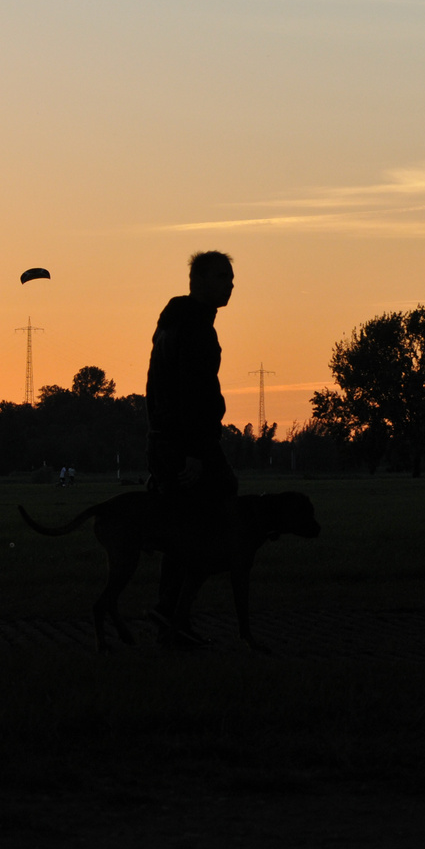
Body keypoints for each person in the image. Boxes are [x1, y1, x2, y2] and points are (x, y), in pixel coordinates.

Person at [145, 250, 238, 646]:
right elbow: (193, 394)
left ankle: (171, 612)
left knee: (183, 525)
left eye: (231, 278)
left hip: (168, 441)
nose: (230, 285)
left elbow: (161, 389)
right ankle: (174, 613)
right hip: (187, 444)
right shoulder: (196, 328)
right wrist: (195, 453)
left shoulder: (173, 322)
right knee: (206, 521)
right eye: (221, 277)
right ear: (198, 281)